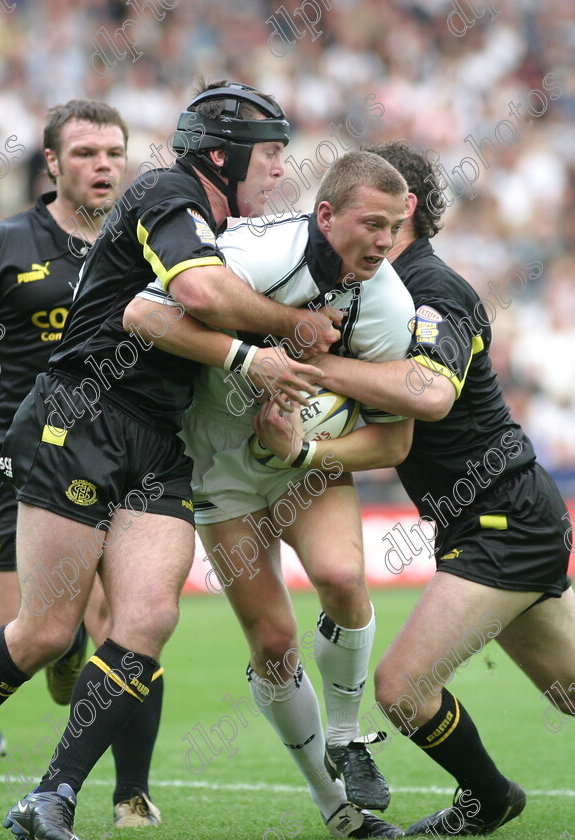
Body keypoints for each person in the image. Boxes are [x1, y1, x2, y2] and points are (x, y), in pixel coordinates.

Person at [0, 81, 336, 840]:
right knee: (42, 634)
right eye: (268, 154)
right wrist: (291, 330)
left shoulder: (223, 224)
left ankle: (52, 798)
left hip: (157, 438)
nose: (279, 170)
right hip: (81, 416)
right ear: (222, 156)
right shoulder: (168, 191)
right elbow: (196, 292)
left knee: (148, 617)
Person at [278, 140, 573, 836]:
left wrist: (312, 371)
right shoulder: (383, 291)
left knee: (402, 688)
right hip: (496, 516)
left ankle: (489, 799)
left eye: (372, 212)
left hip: (503, 516)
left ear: (402, 209)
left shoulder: (430, 290)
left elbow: (429, 395)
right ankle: (489, 796)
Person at [125, 150, 416, 839]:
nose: (382, 240)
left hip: (307, 467)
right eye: (369, 223)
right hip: (217, 466)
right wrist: (251, 360)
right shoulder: (254, 249)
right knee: (276, 641)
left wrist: (306, 450)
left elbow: (395, 442)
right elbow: (143, 314)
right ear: (325, 215)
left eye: (393, 227)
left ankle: (345, 737)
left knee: (345, 578)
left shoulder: (387, 304)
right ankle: (335, 805)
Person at [0, 99, 167, 828]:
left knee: (136, 614)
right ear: (52, 164)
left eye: (114, 151)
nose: (103, 164)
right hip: (29, 461)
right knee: (41, 644)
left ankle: (130, 793)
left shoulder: (156, 242)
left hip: (130, 456)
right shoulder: (1, 247)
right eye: (84, 153)